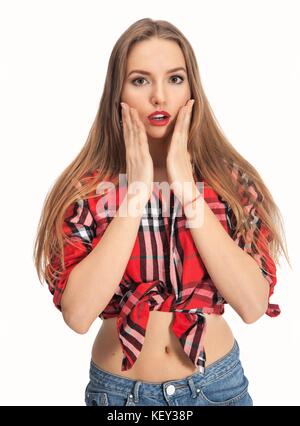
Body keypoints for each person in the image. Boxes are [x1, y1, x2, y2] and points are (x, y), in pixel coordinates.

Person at [33, 18, 290, 406]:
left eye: (174, 79)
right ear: (117, 91)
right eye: (140, 80)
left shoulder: (231, 183)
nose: (159, 96)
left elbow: (253, 306)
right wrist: (135, 193)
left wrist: (187, 188)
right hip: (120, 398)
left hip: (215, 389)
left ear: (192, 88)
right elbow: (79, 315)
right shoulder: (85, 190)